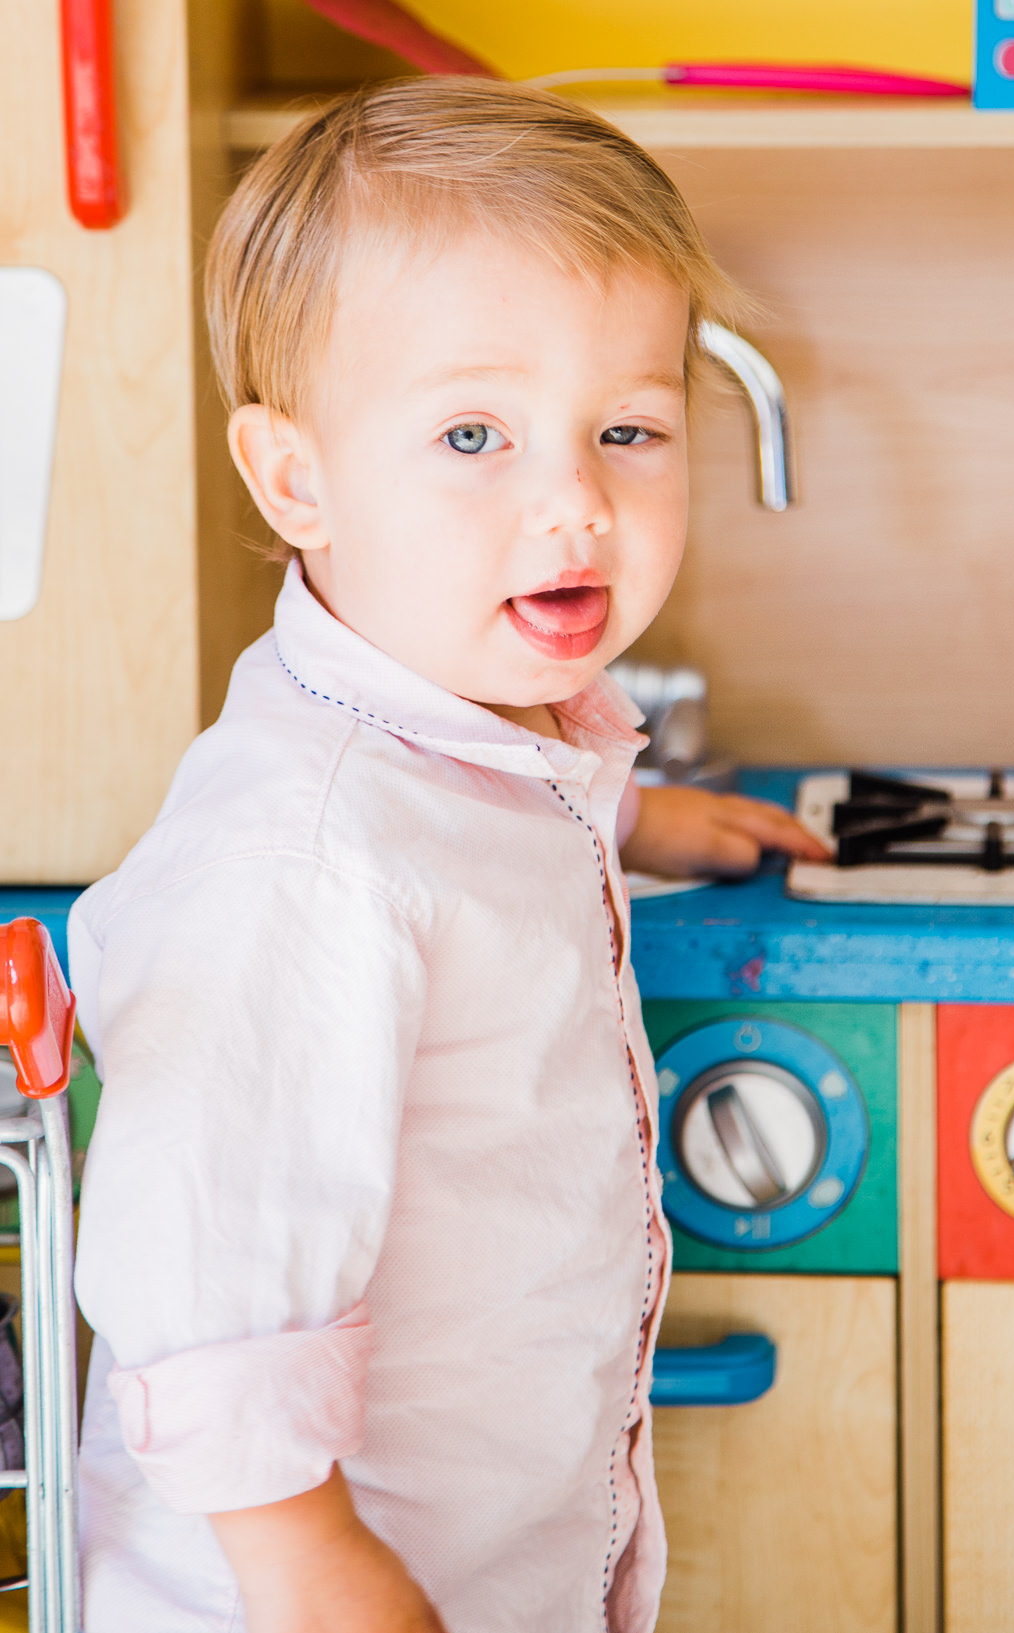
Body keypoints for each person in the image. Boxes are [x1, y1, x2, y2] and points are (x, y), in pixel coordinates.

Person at [67, 78, 826, 1633]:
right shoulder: (300, 855)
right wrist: (319, 1574)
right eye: (471, 433)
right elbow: (200, 1269)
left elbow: (470, 809)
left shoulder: (464, 733)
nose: (574, 501)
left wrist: (626, 809)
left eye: (627, 428)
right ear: (296, 480)